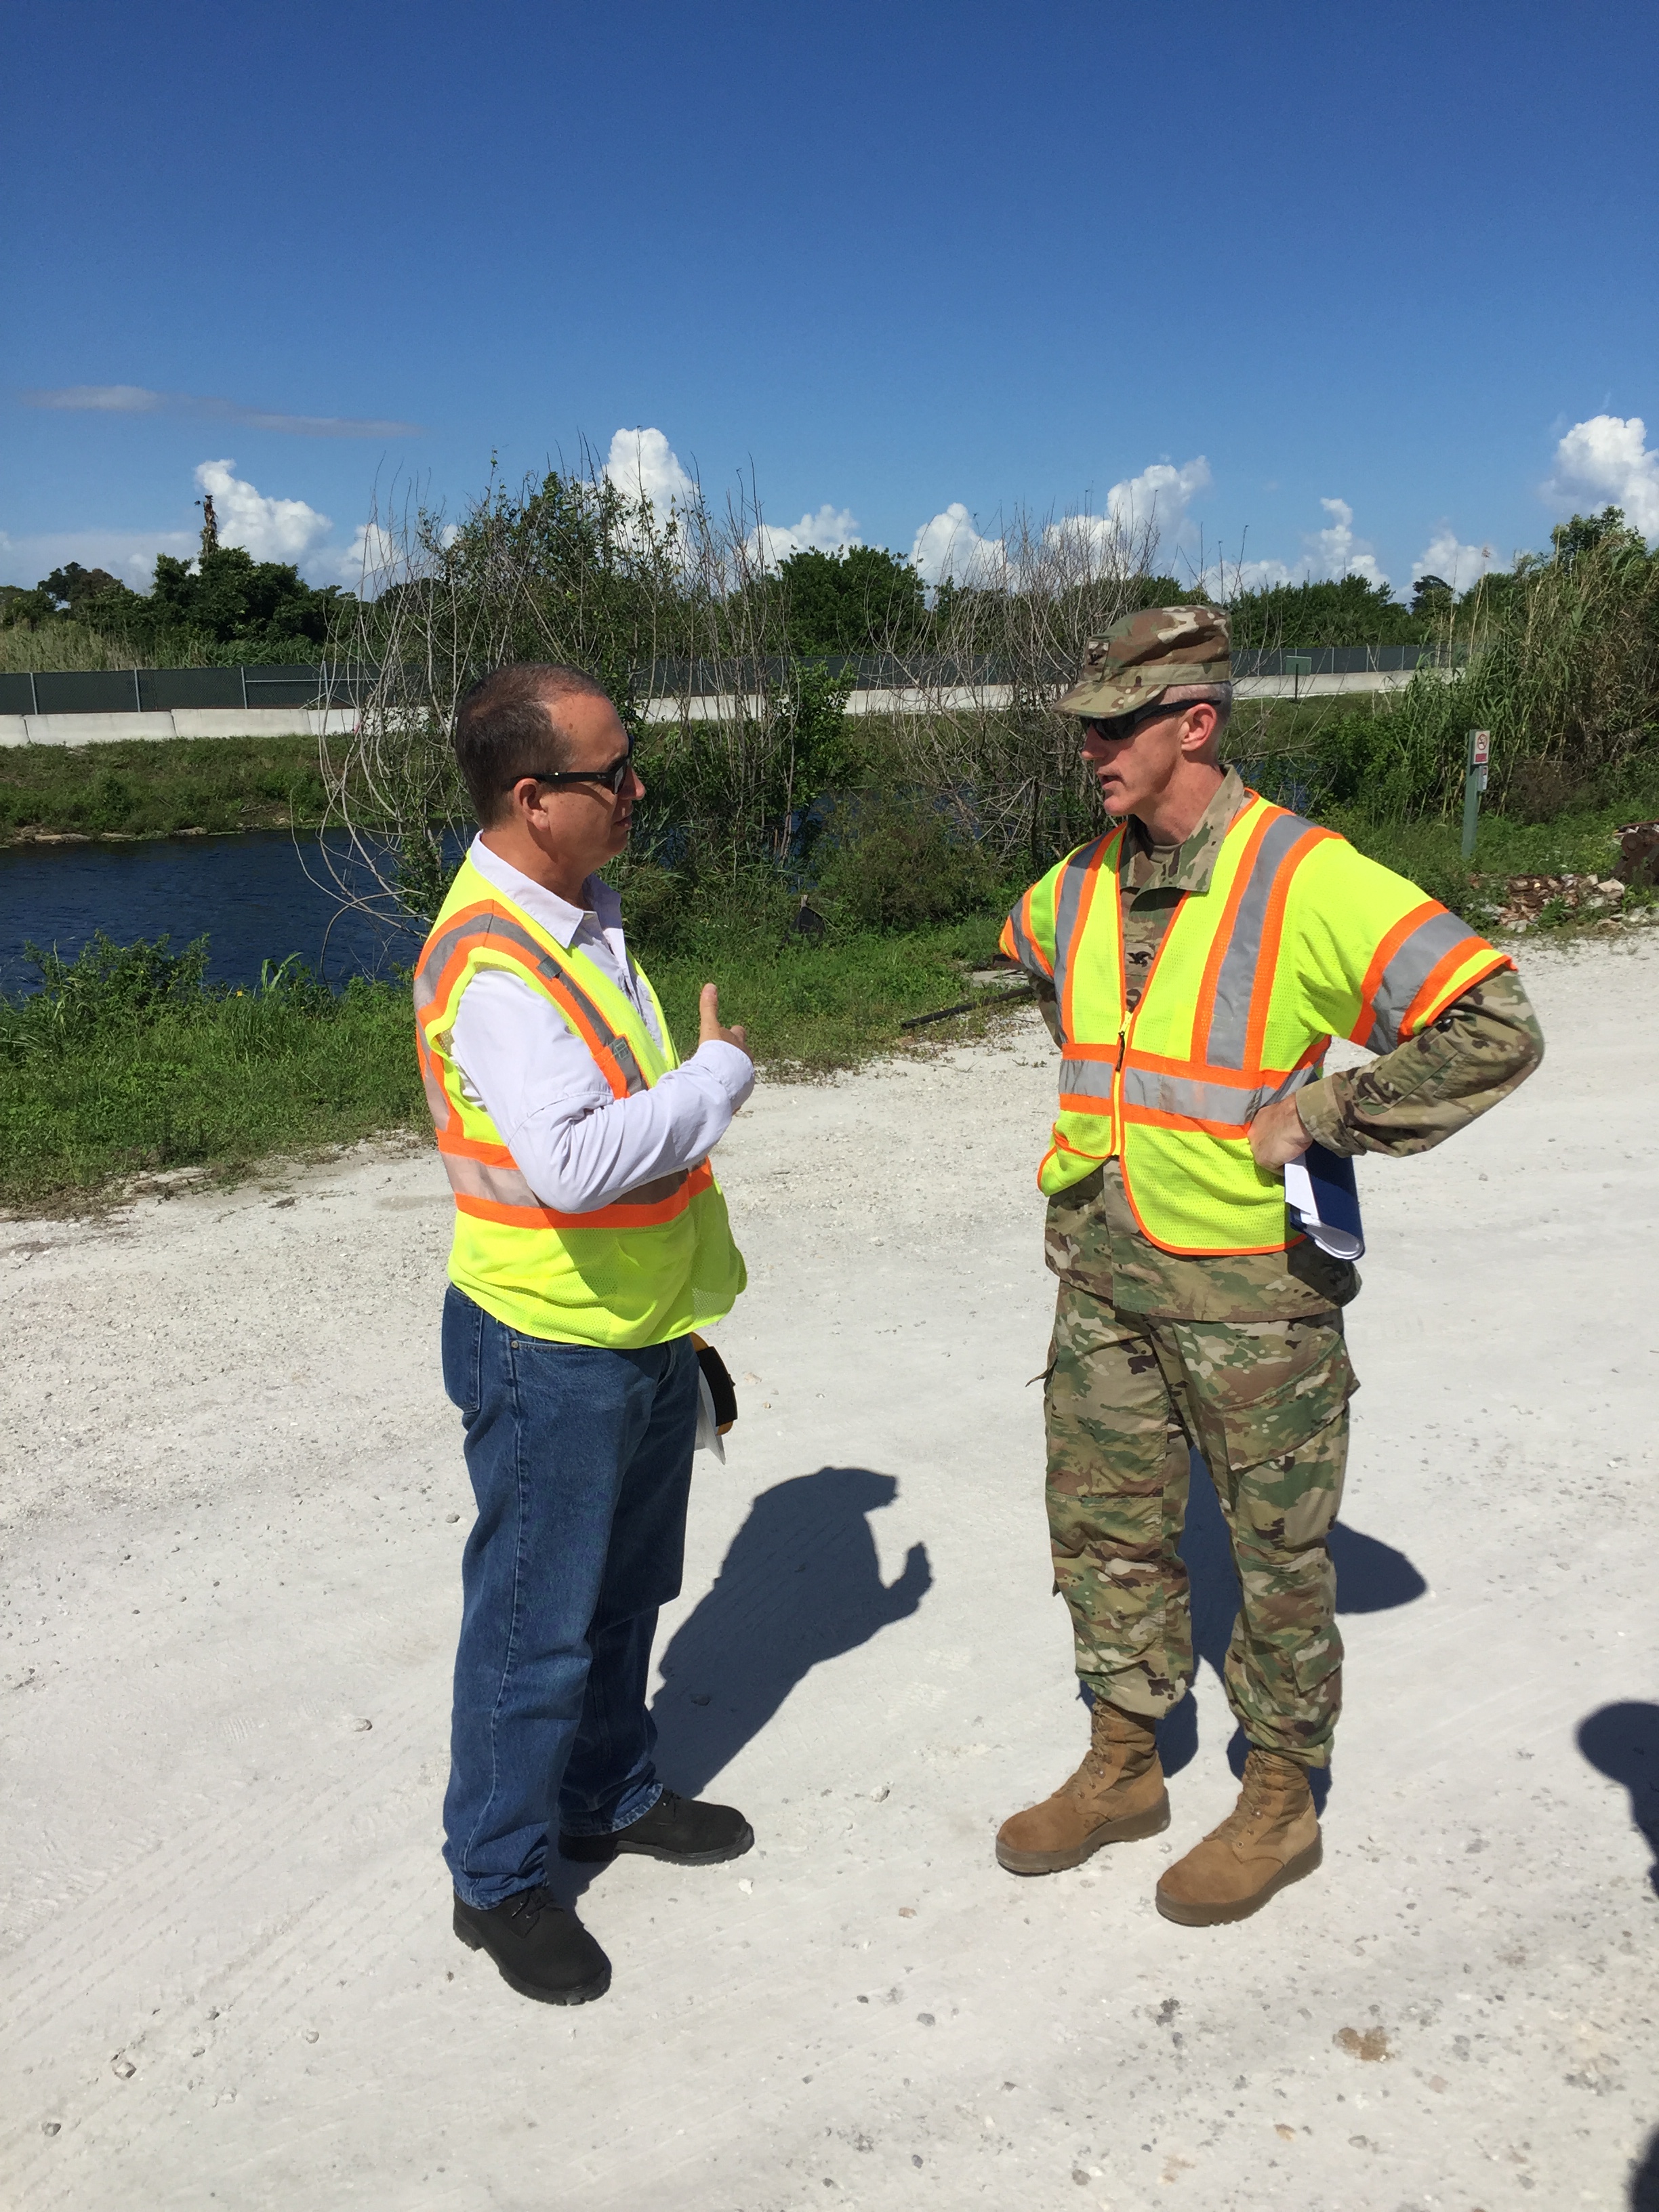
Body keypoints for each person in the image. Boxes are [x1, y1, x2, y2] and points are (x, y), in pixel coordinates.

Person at [994, 607, 1543, 1925]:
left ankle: (1281, 1795)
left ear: (1197, 722)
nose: (1090, 749)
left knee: (1277, 1551)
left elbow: (1496, 1024)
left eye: (1116, 724)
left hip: (1253, 1293)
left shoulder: (1308, 876)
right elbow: (1052, 987)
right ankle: (1125, 1761)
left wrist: (1331, 1111)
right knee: (1109, 1528)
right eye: (1082, 726)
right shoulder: (1069, 889)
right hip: (1102, 1272)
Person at [412, 661, 755, 2004]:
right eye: (612, 771)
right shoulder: (497, 962)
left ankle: (607, 1792)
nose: (636, 786)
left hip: (638, 1325)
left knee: (627, 1591)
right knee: (532, 1624)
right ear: (530, 796)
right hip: (548, 1342)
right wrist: (718, 1081)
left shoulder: (580, 908)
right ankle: (496, 1877)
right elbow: (566, 1165)